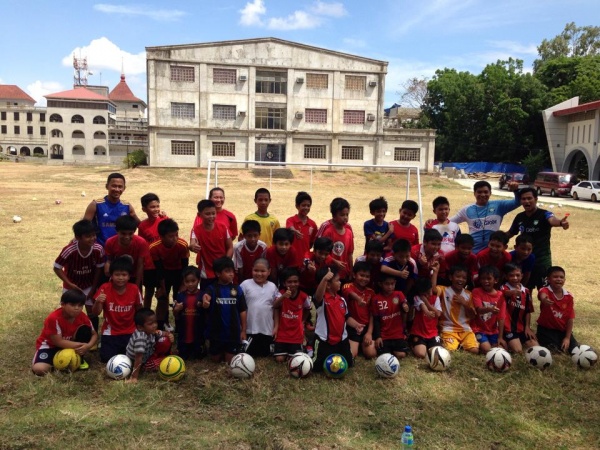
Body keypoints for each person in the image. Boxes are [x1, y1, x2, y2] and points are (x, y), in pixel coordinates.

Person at [507, 187, 569, 290]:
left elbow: (552, 220)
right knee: (525, 289)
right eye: (523, 199)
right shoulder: (520, 217)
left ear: (536, 199)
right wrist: (495, 238)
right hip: (525, 261)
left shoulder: (544, 214)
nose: (526, 201)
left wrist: (561, 223)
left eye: (529, 198)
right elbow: (510, 233)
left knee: (545, 291)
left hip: (542, 261)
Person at [53, 219, 105, 331]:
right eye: (88, 236)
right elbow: (57, 267)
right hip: (71, 285)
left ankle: (93, 335)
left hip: (89, 285)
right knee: (69, 311)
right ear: (78, 237)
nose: (92, 239)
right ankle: (68, 333)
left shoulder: (98, 249)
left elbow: (99, 269)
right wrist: (69, 284)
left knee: (91, 312)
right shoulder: (69, 250)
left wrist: (93, 289)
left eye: (93, 235)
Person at [32, 289, 98, 375]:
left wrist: (88, 346)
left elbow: (94, 334)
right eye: (72, 305)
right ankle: (55, 360)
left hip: (71, 346)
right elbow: (58, 341)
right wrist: (81, 346)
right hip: (50, 346)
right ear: (62, 304)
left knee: (85, 330)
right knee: (40, 369)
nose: (77, 308)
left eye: (80, 305)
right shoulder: (53, 318)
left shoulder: (82, 316)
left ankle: (79, 358)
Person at [312, 266, 363, 372]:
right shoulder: (322, 300)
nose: (340, 282)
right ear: (329, 285)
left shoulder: (342, 300)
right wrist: (325, 279)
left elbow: (347, 317)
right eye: (337, 280)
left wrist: (356, 325)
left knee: (349, 364)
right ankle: (309, 350)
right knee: (317, 368)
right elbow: (317, 296)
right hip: (324, 340)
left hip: (341, 341)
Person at [92, 256, 143, 362]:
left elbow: (139, 310)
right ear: (111, 275)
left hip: (130, 331)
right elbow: (96, 313)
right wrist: (98, 302)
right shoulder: (104, 288)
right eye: (117, 275)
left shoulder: (134, 289)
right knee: (106, 359)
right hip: (110, 332)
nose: (120, 278)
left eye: (124, 275)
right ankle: (106, 344)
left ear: (129, 276)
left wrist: (140, 331)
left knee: (132, 358)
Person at [450, 180, 520, 254]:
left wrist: (516, 190)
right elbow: (449, 222)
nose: (483, 195)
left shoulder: (499, 206)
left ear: (490, 193)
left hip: (492, 251)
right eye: (479, 192)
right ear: (474, 193)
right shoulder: (467, 209)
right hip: (472, 251)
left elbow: (517, 202)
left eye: (486, 192)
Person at [201, 257, 247, 363]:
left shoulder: (237, 289)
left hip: (233, 333)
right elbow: (206, 297)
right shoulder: (212, 288)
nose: (231, 274)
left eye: (232, 271)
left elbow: (243, 310)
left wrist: (243, 330)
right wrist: (205, 302)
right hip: (216, 333)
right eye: (227, 271)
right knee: (215, 360)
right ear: (218, 274)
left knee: (229, 361)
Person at [149, 219, 190, 329]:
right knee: (162, 300)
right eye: (171, 236)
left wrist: (183, 284)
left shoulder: (182, 245)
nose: (175, 238)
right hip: (164, 273)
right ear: (161, 237)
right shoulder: (154, 248)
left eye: (176, 234)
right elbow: (159, 269)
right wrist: (162, 288)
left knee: (180, 299)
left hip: (179, 273)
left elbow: (185, 266)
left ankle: (180, 326)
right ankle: (161, 325)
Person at [83, 172, 140, 247]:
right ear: (107, 186)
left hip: (120, 249)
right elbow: (83, 226)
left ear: (124, 188)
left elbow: (141, 225)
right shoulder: (96, 204)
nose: (117, 189)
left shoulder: (127, 206)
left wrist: (158, 217)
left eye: (120, 187)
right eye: (114, 186)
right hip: (100, 248)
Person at [240, 259, 280, 357]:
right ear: (252, 270)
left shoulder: (272, 287)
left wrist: (276, 326)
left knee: (266, 354)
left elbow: (276, 308)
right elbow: (240, 308)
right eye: (256, 270)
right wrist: (242, 329)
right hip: (250, 329)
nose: (259, 274)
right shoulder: (245, 285)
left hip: (267, 330)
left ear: (269, 271)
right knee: (247, 353)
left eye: (262, 271)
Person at [191, 199, 233, 289]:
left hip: (223, 271)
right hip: (206, 273)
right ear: (199, 215)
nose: (211, 216)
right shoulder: (196, 230)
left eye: (213, 213)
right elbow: (192, 243)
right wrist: (193, 247)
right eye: (207, 214)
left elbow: (230, 247)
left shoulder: (223, 227)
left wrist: (225, 263)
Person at [272, 268, 311, 362]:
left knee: (294, 360)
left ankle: (307, 348)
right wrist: (283, 297)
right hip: (282, 333)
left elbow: (308, 309)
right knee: (279, 359)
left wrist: (302, 321)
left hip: (296, 334)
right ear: (284, 283)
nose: (293, 284)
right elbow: (275, 306)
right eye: (289, 282)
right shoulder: (280, 293)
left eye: (295, 281)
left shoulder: (303, 296)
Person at [437, 265, 479, 353]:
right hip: (448, 328)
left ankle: (462, 343)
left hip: (465, 329)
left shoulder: (468, 294)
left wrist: (465, 304)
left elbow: (472, 316)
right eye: (458, 276)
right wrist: (435, 272)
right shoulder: (444, 290)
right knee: (450, 350)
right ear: (450, 277)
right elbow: (433, 290)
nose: (461, 279)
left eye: (464, 278)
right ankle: (455, 343)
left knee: (474, 350)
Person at [536, 266, 578, 353]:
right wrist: (544, 300)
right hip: (546, 329)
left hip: (562, 330)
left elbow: (570, 318)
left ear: (564, 280)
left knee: (575, 350)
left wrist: (567, 337)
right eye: (555, 277)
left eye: (561, 277)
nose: (559, 279)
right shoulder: (545, 290)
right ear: (548, 279)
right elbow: (542, 295)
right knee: (555, 350)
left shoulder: (569, 297)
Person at [125, 308, 174, 382]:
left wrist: (169, 334)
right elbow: (138, 358)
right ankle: (165, 358)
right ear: (140, 327)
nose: (154, 325)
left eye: (155, 322)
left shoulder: (150, 331)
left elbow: (161, 333)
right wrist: (134, 377)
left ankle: (163, 356)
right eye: (151, 324)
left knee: (165, 340)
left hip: (148, 355)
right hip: (141, 363)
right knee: (164, 362)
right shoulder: (140, 338)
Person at [104, 215, 151, 290]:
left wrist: (137, 286)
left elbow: (140, 265)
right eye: (123, 233)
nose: (126, 237)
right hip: (118, 276)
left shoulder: (141, 242)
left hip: (134, 275)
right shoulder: (110, 242)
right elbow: (109, 260)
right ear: (117, 231)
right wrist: (108, 266)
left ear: (134, 231)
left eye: (130, 233)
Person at [342, 261, 377, 360]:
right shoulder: (348, 286)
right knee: (352, 355)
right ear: (354, 274)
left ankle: (363, 342)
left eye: (367, 276)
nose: (364, 279)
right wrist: (358, 299)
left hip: (366, 327)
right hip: (352, 327)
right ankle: (356, 344)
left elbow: (372, 314)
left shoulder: (371, 292)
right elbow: (348, 292)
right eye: (361, 275)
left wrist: (369, 333)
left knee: (371, 354)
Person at [371, 274, 410, 359]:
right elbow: (376, 319)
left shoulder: (399, 294)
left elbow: (405, 308)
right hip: (384, 335)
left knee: (401, 355)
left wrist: (405, 307)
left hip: (397, 334)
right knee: (384, 356)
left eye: (392, 284)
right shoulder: (376, 299)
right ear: (380, 284)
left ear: (395, 283)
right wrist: (378, 336)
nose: (390, 287)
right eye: (387, 284)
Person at [500, 263, 537, 353]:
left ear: (522, 276)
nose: (515, 278)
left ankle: (521, 339)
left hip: (522, 327)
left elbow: (527, 311)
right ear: (506, 277)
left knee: (536, 348)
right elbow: (503, 294)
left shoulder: (526, 291)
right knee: (518, 350)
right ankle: (505, 340)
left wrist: (527, 327)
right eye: (511, 275)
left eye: (517, 275)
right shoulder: (503, 288)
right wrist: (513, 292)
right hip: (508, 328)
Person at [316, 197, 355, 281]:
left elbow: (350, 253)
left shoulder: (349, 231)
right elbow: (321, 251)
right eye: (342, 215)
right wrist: (334, 261)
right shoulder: (328, 230)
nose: (345, 217)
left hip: (344, 272)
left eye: (347, 214)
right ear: (334, 216)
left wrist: (351, 270)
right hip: (329, 272)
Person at [471, 266, 506, 354]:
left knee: (501, 349)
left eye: (489, 278)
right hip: (478, 329)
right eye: (483, 278)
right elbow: (478, 309)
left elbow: (501, 318)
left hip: (493, 330)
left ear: (496, 280)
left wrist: (500, 337)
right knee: (487, 349)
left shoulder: (500, 295)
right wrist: (490, 309)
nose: (486, 281)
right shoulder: (476, 291)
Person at [173, 266, 205, 360]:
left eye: (193, 281)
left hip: (198, 333)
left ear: (198, 280)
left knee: (197, 356)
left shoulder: (203, 295)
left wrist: (203, 306)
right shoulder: (180, 296)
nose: (190, 284)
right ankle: (183, 349)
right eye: (187, 281)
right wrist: (176, 310)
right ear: (183, 281)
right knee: (183, 356)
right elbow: (176, 316)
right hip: (184, 333)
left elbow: (207, 315)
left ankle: (200, 348)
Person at [408, 277, 442, 359]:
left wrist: (427, 303)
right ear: (420, 293)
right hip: (419, 332)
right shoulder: (417, 298)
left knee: (437, 353)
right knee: (421, 354)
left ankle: (428, 344)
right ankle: (413, 343)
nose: (428, 295)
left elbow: (438, 314)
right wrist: (427, 311)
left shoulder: (436, 298)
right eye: (424, 294)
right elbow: (422, 306)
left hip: (432, 333)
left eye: (429, 292)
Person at [286, 191, 317, 267]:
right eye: (303, 205)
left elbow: (311, 243)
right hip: (291, 260)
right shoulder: (291, 220)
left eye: (308, 205)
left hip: (305, 261)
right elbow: (290, 227)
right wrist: (294, 231)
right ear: (297, 206)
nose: (306, 208)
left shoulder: (313, 224)